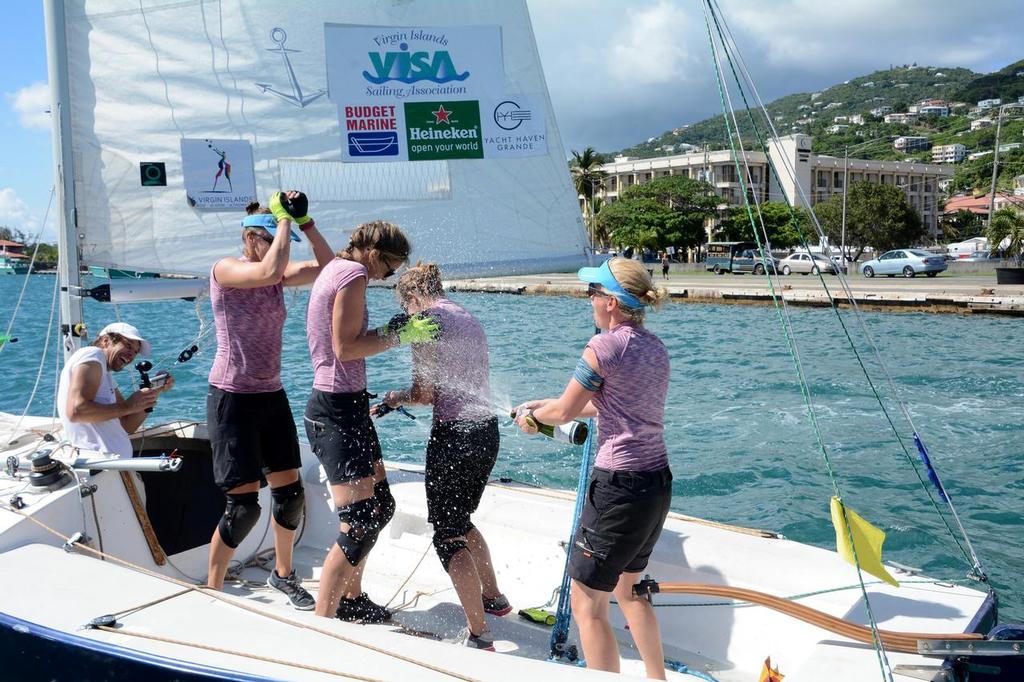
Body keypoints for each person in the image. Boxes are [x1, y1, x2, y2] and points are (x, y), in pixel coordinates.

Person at [514, 257, 672, 679]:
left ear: (612, 303)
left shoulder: (603, 346)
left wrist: (536, 419)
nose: (589, 299)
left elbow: (566, 409)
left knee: (588, 604)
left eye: (593, 292)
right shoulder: (654, 348)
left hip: (618, 486)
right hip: (655, 484)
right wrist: (540, 408)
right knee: (631, 590)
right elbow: (603, 406)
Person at [205, 191, 335, 611]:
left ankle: (284, 575)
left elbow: (327, 268)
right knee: (243, 509)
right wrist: (282, 220)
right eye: (269, 238)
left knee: (290, 494)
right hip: (233, 398)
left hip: (270, 395)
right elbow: (267, 271)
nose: (277, 248)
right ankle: (214, 591)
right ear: (249, 238)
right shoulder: (226, 269)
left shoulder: (274, 273)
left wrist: (306, 223)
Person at [304, 221, 439, 623]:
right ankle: (322, 622)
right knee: (359, 521)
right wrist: (403, 335)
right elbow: (345, 349)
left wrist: (395, 328)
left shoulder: (337, 267)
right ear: (376, 255)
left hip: (348, 406)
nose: (392, 276)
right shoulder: (354, 273)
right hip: (334, 411)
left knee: (379, 507)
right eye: (392, 266)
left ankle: (350, 599)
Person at [377, 262, 508, 650]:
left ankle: (478, 634)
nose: (408, 316)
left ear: (413, 298)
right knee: (461, 520)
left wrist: (393, 398)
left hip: (454, 439)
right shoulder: (465, 315)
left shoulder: (427, 323)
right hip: (486, 432)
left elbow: (424, 394)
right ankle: (494, 597)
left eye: (406, 307)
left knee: (448, 536)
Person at [58, 322, 174, 459]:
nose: (131, 355)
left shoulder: (105, 374)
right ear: (106, 341)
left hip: (113, 466)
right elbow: (77, 411)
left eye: (136, 352)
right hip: (99, 465)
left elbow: (126, 425)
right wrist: (128, 406)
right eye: (128, 346)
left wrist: (154, 392)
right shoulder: (92, 355)